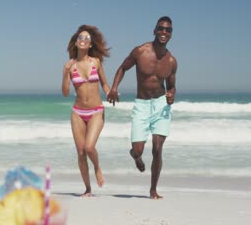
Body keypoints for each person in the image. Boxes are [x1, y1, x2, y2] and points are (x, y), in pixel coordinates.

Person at [107, 16, 177, 199]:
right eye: (161, 28)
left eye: (168, 30)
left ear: (171, 34)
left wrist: (171, 95)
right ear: (154, 30)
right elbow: (122, 68)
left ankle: (153, 190)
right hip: (142, 105)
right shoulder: (140, 52)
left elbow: (171, 86)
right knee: (138, 150)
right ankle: (136, 156)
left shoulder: (171, 61)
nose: (164, 32)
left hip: (161, 105)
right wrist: (114, 88)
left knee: (157, 148)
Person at [61, 25, 111, 197]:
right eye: (80, 38)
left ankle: (97, 168)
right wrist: (65, 73)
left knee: (90, 147)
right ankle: (88, 189)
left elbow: (104, 83)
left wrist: (110, 92)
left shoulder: (96, 62)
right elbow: (66, 92)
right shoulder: (69, 65)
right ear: (76, 43)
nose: (83, 40)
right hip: (77, 113)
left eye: (87, 39)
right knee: (81, 152)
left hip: (96, 110)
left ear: (90, 45)